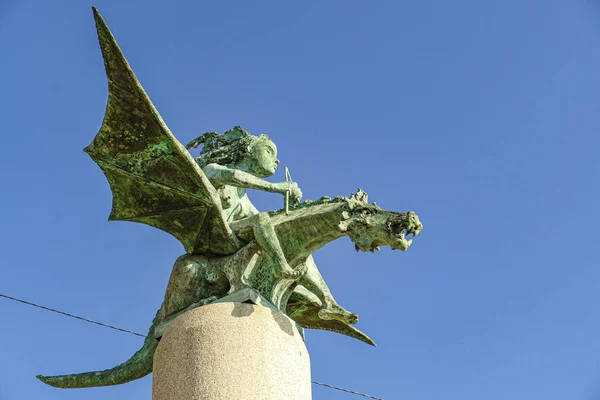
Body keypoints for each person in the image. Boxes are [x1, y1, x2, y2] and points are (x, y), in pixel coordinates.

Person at [186, 126, 303, 279]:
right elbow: (235, 176)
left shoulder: (244, 201)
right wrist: (275, 187)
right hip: (212, 237)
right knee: (260, 219)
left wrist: (292, 208)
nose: (277, 160)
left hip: (230, 241)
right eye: (269, 151)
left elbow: (268, 225)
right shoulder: (212, 170)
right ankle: (280, 265)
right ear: (248, 150)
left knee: (264, 221)